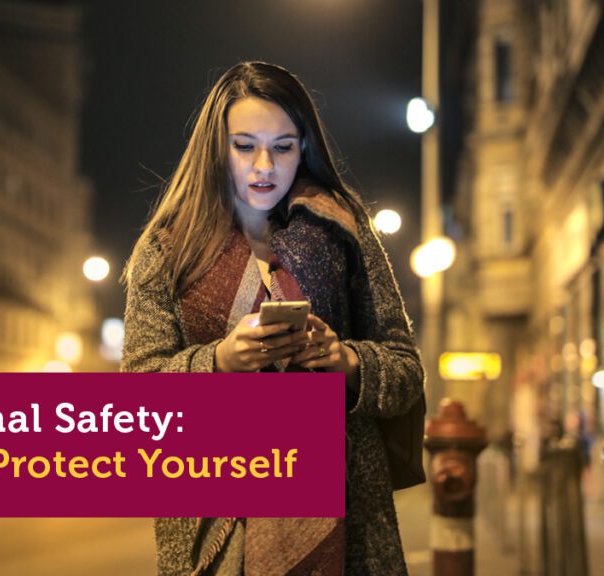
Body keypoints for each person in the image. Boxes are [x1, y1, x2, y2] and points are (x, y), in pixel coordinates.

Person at [121, 61, 425, 576]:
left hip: (350, 530)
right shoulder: (168, 248)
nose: (265, 166)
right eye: (245, 146)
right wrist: (219, 361)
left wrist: (345, 360)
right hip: (216, 531)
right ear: (217, 148)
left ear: (304, 148)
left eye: (283, 147)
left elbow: (405, 371)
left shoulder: (343, 231)